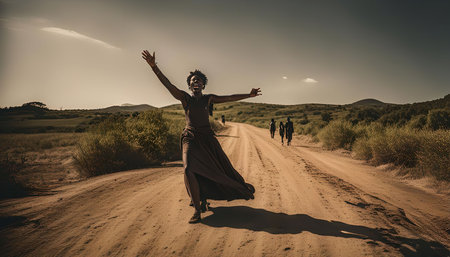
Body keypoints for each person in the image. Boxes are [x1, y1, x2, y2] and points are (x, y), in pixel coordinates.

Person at [142, 50, 261, 223]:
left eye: (198, 80)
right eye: (192, 81)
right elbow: (168, 85)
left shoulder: (208, 99)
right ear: (189, 86)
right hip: (190, 138)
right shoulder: (184, 98)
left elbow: (229, 98)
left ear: (203, 85)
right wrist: (154, 67)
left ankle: (204, 197)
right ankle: (197, 210)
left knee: (213, 169)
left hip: (207, 140)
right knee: (189, 168)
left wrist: (248, 95)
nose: (195, 82)